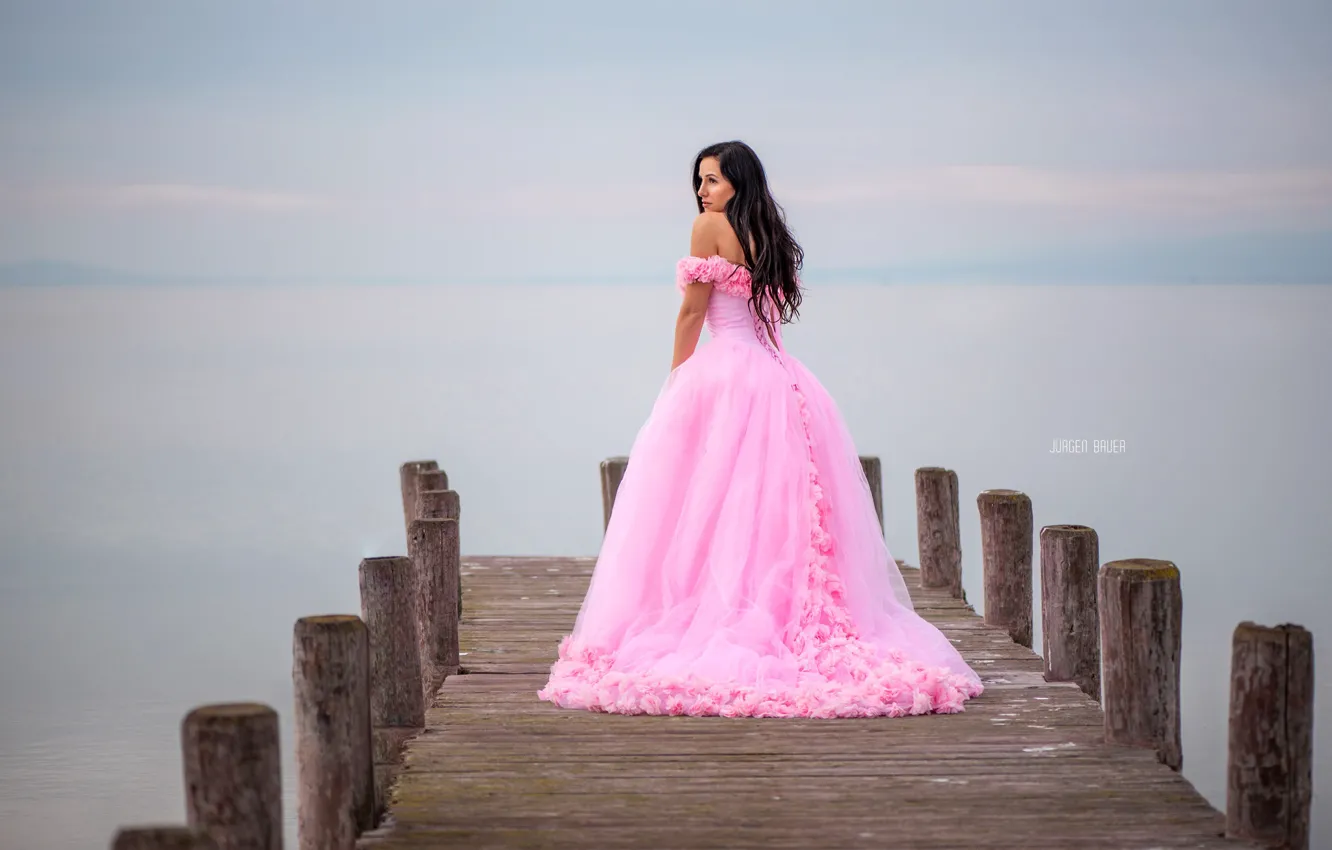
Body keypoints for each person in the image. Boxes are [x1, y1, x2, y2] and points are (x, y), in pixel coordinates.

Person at [537, 141, 983, 718]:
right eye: (700, 181)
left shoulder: (708, 227)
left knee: (713, 504)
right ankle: (776, 614)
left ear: (738, 184)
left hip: (729, 375)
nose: (703, 191)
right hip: (780, 379)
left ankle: (725, 613)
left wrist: (676, 379)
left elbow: (694, 312)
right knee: (770, 511)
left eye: (714, 180)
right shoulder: (767, 232)